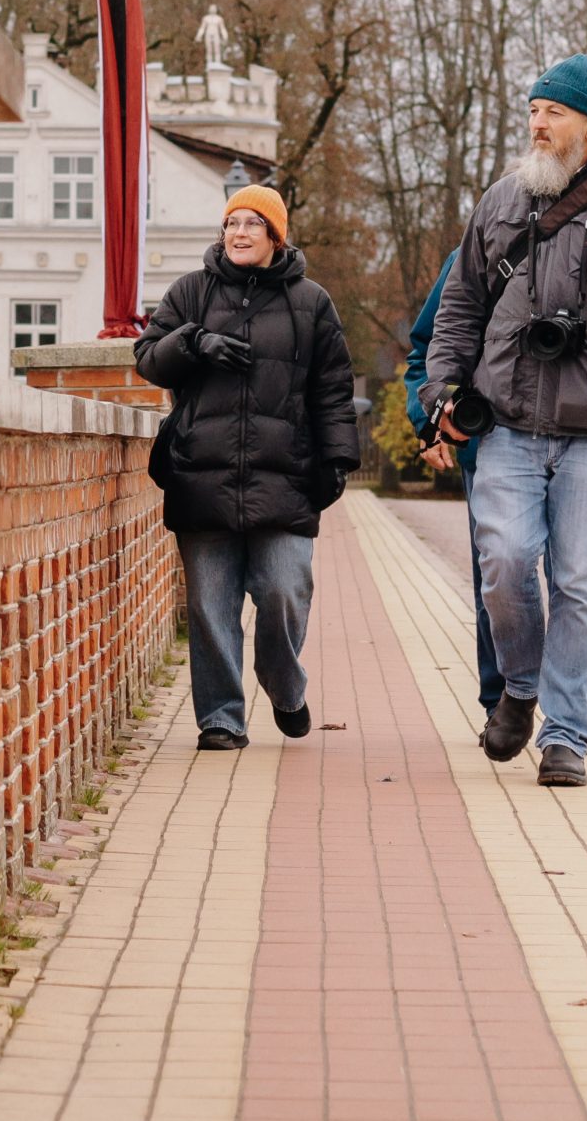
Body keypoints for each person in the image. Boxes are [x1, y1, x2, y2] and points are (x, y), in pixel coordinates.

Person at [418, 55, 587, 787]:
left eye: (554, 113)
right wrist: (441, 391)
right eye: (534, 111)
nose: (538, 124)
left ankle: (565, 732)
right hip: (508, 424)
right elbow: (459, 307)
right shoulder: (502, 200)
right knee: (504, 564)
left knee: (578, 580)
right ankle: (520, 684)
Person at [135, 184, 358, 750]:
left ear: (275, 235)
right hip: (201, 475)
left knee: (285, 591)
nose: (238, 233)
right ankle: (222, 718)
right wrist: (194, 342)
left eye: (252, 224)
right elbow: (148, 360)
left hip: (285, 477)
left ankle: (284, 686)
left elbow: (333, 389)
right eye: (231, 223)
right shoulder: (190, 292)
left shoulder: (312, 302)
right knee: (210, 607)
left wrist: (337, 459)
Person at [401, 250, 502, 715]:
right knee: (498, 576)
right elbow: (425, 350)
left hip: (576, 440)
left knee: (574, 581)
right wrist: (429, 421)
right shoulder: (473, 256)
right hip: (490, 445)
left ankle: (571, 704)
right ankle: (501, 702)